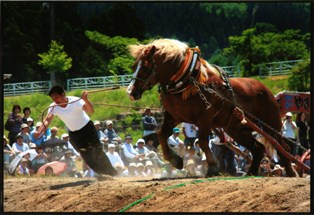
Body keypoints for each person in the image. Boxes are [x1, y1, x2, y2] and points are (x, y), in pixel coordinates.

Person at [35, 85, 116, 176]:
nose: (55, 100)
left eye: (57, 97)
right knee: (85, 154)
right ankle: (102, 174)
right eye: (53, 98)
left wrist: (85, 100)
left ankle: (112, 173)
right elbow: (47, 120)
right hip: (74, 133)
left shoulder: (75, 101)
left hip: (87, 128)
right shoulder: (53, 107)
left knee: (97, 150)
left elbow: (90, 111)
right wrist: (40, 131)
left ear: (63, 94)